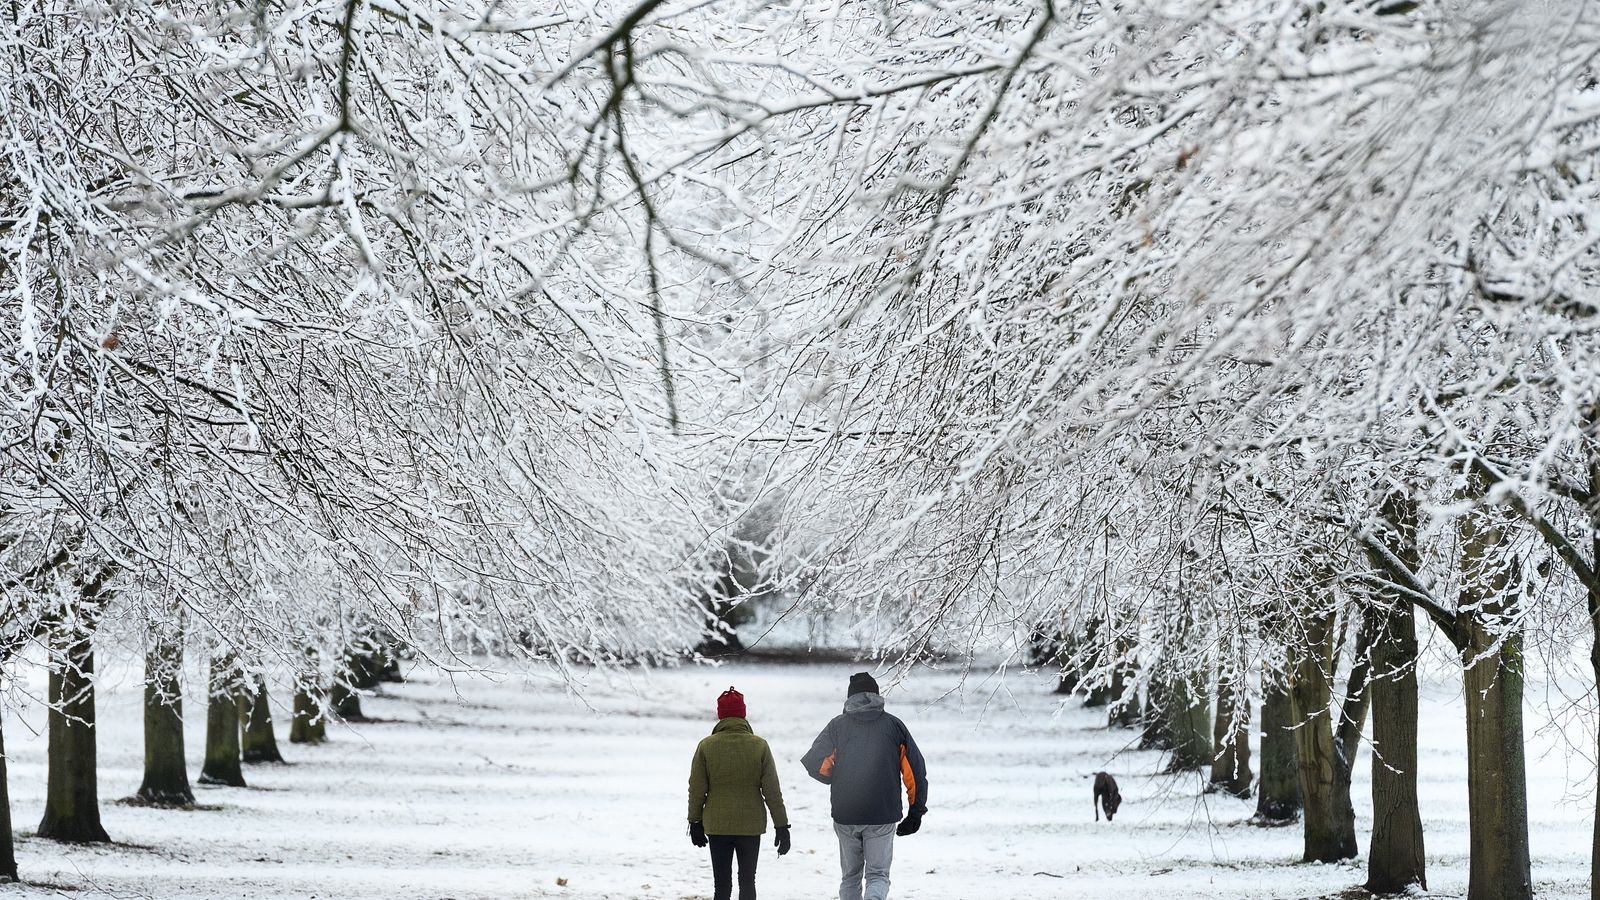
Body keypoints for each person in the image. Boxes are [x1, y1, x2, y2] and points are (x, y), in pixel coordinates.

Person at [801, 672, 928, 900]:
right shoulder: (894, 726)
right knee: (878, 875)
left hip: (846, 813)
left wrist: (833, 776)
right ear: (877, 695)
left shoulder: (837, 726)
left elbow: (815, 761)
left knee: (850, 877)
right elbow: (914, 772)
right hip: (882, 813)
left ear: (850, 698)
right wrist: (916, 811)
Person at [687, 687, 791, 900]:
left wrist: (695, 821)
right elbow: (772, 791)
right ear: (743, 713)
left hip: (717, 824)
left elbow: (697, 789)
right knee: (747, 880)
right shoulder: (760, 746)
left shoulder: (706, 746)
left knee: (721, 885)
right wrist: (782, 826)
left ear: (720, 715)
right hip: (750, 825)